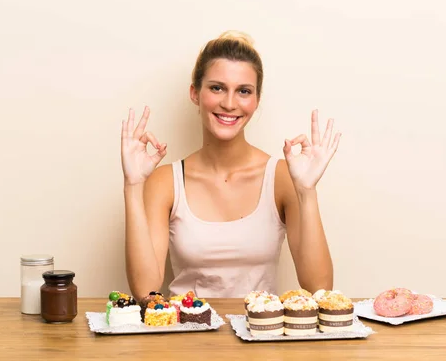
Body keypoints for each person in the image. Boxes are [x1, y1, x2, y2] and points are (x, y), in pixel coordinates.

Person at [121, 30, 341, 299]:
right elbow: (146, 291)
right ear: (195, 93)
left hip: (262, 334)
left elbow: (319, 289)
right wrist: (133, 185)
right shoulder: (165, 181)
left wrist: (307, 191)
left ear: (256, 100)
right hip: (184, 334)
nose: (229, 103)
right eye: (217, 88)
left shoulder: (282, 177)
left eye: (244, 91)